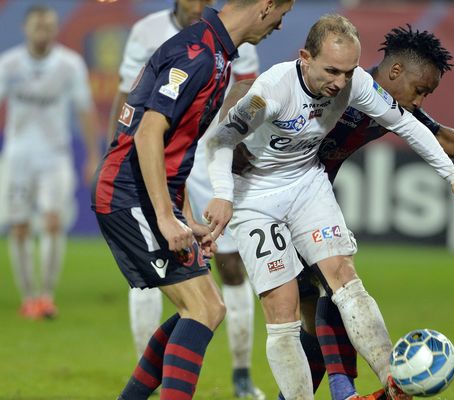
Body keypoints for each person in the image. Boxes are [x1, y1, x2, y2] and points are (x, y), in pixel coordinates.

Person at [227, 24, 454, 399]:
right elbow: (252, 109)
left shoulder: (379, 100)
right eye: (420, 89)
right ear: (395, 71)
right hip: (265, 201)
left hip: (307, 201)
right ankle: (350, 392)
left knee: (326, 302)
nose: (421, 100)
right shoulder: (327, 88)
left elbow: (433, 133)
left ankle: (336, 392)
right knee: (320, 299)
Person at [92, 1, 294, 399]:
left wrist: (183, 219)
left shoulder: (217, 55)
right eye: (281, 14)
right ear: (265, 6)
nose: (280, 25)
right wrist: (167, 219)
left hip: (152, 193)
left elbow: (173, 152)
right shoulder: (199, 53)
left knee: (210, 308)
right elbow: (149, 133)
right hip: (128, 194)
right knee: (201, 309)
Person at [0, 5, 100, 320]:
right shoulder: (10, 64)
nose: (44, 32)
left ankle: (46, 296)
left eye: (49, 26)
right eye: (38, 26)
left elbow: (85, 110)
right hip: (17, 155)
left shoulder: (69, 65)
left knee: (53, 222)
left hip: (55, 156)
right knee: (18, 227)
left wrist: (94, 155)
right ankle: (28, 297)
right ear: (26, 29)